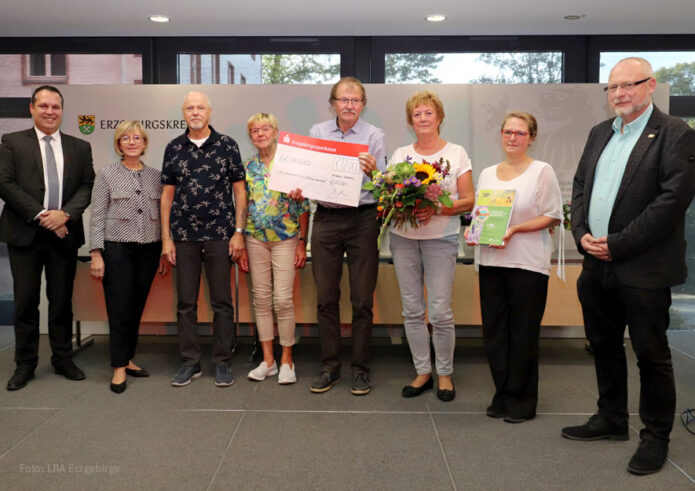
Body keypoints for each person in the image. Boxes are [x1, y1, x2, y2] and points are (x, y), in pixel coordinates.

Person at [562, 57, 695, 475]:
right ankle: (612, 419)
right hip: (595, 264)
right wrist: (580, 232)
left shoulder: (676, 135)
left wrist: (617, 244)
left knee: (651, 355)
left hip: (643, 268)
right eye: (612, 87)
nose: (619, 93)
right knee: (602, 345)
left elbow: (671, 203)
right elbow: (581, 185)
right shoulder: (600, 132)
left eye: (628, 85)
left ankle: (655, 437)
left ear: (650, 85)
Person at [289, 76, 386, 395]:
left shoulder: (375, 136)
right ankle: (330, 367)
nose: (349, 105)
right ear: (333, 103)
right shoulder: (318, 132)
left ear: (363, 104)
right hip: (327, 220)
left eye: (355, 100)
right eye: (343, 100)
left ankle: (360, 369)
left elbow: (383, 186)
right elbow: (309, 174)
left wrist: (374, 171)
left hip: (363, 220)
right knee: (326, 298)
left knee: (361, 300)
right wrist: (299, 184)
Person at [466, 112, 562, 422]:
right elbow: (481, 213)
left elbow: (551, 215)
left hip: (527, 264)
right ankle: (502, 394)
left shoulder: (541, 171)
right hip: (492, 262)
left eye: (520, 133)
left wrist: (515, 229)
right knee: (495, 333)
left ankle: (522, 401)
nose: (512, 137)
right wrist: (473, 230)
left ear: (531, 138)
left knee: (522, 334)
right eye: (508, 131)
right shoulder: (487, 173)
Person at [0, 85, 95, 391]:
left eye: (55, 107)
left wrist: (64, 214)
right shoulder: (12, 142)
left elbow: (87, 186)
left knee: (61, 301)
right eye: (44, 106)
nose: (50, 112)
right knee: (26, 302)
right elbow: (5, 183)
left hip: (64, 235)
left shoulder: (79, 146)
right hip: (25, 234)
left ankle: (63, 357)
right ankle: (25, 363)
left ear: (62, 110)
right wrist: (43, 215)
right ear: (32, 108)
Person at [389, 91, 474, 402]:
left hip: (441, 239)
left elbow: (468, 200)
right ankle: (423, 371)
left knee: (439, 311)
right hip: (404, 240)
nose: (422, 118)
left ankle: (445, 374)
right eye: (416, 114)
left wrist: (435, 208)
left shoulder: (456, 153)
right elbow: (391, 199)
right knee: (412, 310)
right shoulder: (400, 155)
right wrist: (402, 206)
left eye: (428, 113)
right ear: (411, 121)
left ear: (439, 118)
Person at [161, 91, 246, 388]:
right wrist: (166, 239)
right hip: (183, 237)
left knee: (222, 303)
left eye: (200, 108)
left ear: (209, 112)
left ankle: (222, 361)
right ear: (183, 112)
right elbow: (167, 196)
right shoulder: (173, 148)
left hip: (221, 236)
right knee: (186, 303)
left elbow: (240, 191)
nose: (195, 112)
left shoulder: (227, 145)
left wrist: (239, 232)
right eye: (190, 108)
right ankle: (190, 361)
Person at [89, 121, 169, 394]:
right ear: (118, 144)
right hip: (117, 248)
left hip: (148, 248)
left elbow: (164, 215)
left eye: (137, 137)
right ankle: (119, 367)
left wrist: (164, 248)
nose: (132, 142)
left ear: (145, 143)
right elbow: (97, 215)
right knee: (119, 307)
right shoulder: (107, 174)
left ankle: (128, 357)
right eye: (126, 138)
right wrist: (96, 253)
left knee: (136, 307)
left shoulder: (156, 176)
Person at [237, 113, 310, 385]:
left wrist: (303, 241)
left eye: (264, 128)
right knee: (261, 300)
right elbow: (243, 207)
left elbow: (304, 207)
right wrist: (241, 241)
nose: (260, 133)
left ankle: (287, 360)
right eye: (254, 130)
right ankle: (268, 361)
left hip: (286, 238)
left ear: (276, 131)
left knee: (282, 300)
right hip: (255, 239)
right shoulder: (248, 167)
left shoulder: (291, 164)